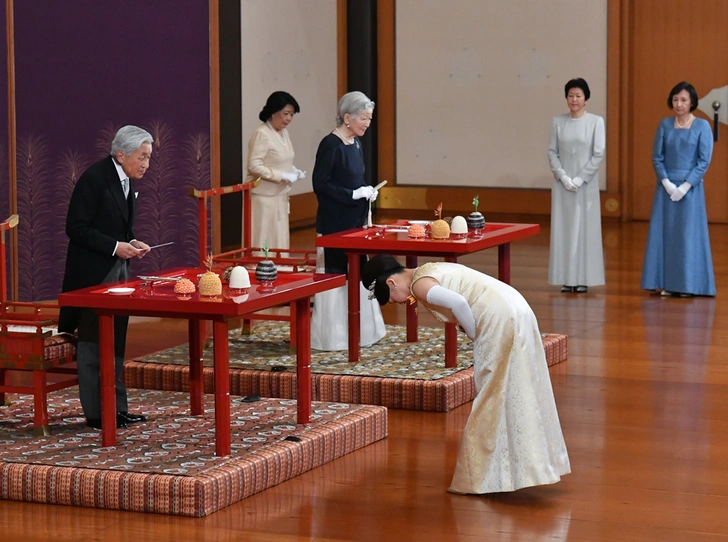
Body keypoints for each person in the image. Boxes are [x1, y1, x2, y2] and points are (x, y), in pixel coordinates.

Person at [361, 254, 570, 494]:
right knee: (518, 384)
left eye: (389, 299)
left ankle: (480, 478)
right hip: (516, 306)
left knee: (490, 394)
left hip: (498, 316)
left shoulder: (420, 285)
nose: (397, 303)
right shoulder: (427, 270)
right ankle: (524, 465)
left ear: (390, 283)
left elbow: (458, 302)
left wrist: (472, 332)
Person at [58, 125, 152, 430]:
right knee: (92, 343)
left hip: (118, 270)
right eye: (142, 157)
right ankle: (97, 414)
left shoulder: (125, 179)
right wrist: (115, 246)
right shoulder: (95, 179)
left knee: (115, 342)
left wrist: (132, 241)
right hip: (92, 274)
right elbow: (76, 227)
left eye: (149, 158)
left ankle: (117, 408)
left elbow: (117, 225)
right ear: (121, 154)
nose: (146, 164)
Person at [310, 91, 385, 350]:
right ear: (346, 117)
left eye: (369, 119)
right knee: (336, 276)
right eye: (364, 118)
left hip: (355, 222)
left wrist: (366, 190)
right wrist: (352, 194)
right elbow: (320, 185)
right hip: (334, 224)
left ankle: (363, 332)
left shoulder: (356, 144)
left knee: (358, 274)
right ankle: (333, 338)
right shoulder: (330, 144)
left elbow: (355, 177)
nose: (367, 123)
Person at [641, 81, 715, 297]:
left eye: (683, 99)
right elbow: (657, 157)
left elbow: (704, 160)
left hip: (689, 189)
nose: (679, 103)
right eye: (675, 99)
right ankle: (667, 283)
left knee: (687, 236)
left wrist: (685, 185)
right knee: (666, 235)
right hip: (666, 188)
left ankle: (688, 285)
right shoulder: (664, 125)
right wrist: (665, 182)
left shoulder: (702, 126)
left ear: (692, 102)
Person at [547, 78, 606, 294]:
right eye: (571, 95)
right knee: (564, 229)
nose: (574, 99)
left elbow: (598, 153)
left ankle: (583, 278)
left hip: (585, 186)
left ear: (586, 99)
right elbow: (552, 151)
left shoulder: (595, 122)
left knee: (584, 231)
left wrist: (581, 179)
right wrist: (563, 176)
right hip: (563, 185)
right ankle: (566, 278)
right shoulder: (558, 122)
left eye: (578, 96)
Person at [245, 91, 305, 250]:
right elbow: (254, 165)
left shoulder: (284, 133)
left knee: (280, 236)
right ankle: (259, 268)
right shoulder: (262, 134)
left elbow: (282, 160)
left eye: (292, 114)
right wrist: (282, 176)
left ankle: (280, 267)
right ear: (273, 112)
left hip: (280, 194)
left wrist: (294, 171)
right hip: (263, 196)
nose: (289, 119)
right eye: (285, 114)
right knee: (264, 236)